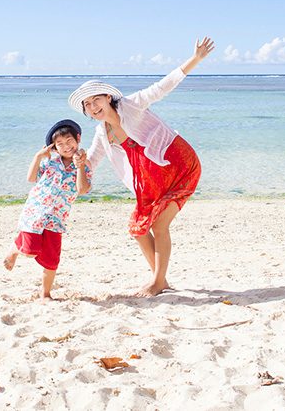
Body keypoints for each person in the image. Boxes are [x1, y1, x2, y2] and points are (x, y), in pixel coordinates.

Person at [68, 37, 214, 296]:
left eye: (95, 100)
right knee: (137, 228)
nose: (93, 107)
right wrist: (77, 162)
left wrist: (196, 59)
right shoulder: (103, 134)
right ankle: (161, 279)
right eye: (87, 106)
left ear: (107, 97)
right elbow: (91, 161)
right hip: (150, 181)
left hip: (177, 163)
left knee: (159, 226)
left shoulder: (130, 105)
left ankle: (158, 281)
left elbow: (162, 87)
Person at [3, 119, 92, 300]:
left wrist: (80, 166)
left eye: (69, 141)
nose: (66, 147)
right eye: (60, 144)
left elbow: (82, 189)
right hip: (35, 212)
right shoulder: (49, 162)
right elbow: (31, 178)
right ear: (54, 147)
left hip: (57, 219)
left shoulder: (84, 165)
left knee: (51, 260)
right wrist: (38, 157)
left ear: (78, 139)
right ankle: (14, 249)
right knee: (29, 251)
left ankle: (45, 294)